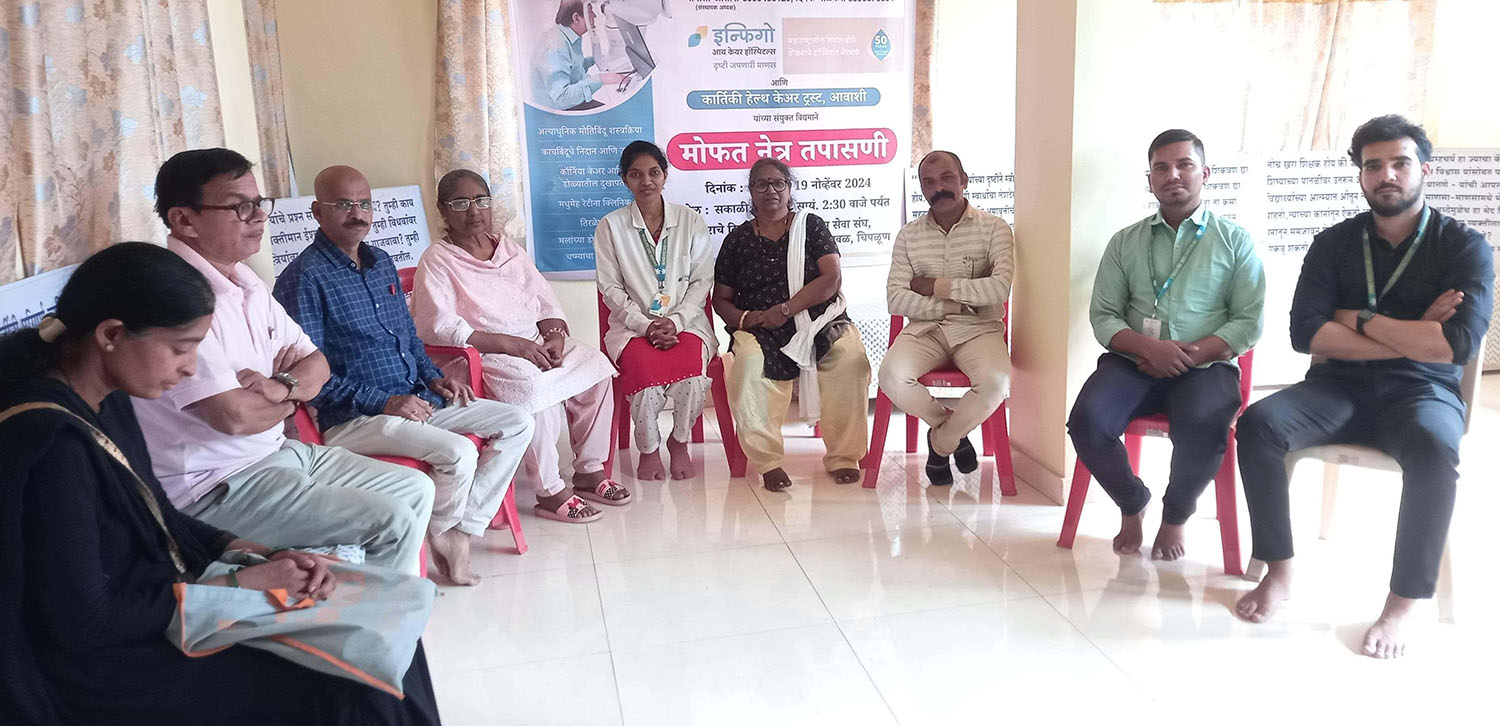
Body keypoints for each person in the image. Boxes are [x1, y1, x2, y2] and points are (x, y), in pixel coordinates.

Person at [0, 243, 440, 725]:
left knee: (385, 632)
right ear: (111, 334)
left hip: (163, 600)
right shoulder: (52, 444)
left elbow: (159, 514)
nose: (191, 368)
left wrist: (259, 552)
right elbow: (86, 620)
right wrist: (240, 584)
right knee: (356, 678)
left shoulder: (110, 398)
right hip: (108, 663)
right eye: (180, 348)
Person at [1235, 115, 1493, 658]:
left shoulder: (1464, 247)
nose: (1386, 175)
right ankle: (1279, 572)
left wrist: (1359, 319)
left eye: (1400, 163)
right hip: (1338, 386)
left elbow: (1456, 346)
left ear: (1424, 169)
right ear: (1360, 175)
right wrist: (1415, 331)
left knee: (1435, 447)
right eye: (1373, 165)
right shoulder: (1333, 243)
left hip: (1423, 390)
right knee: (1259, 424)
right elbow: (1306, 334)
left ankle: (1402, 604)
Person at [131, 148, 434, 575]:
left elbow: (317, 362)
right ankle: (363, 609)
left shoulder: (246, 280)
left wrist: (278, 387)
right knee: (392, 520)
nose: (258, 216)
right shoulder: (174, 297)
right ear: (184, 220)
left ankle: (371, 603)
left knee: (416, 488)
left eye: (259, 203)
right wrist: (294, 396)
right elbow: (234, 417)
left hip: (278, 452)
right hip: (216, 486)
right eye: (240, 207)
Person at [274, 165, 536, 586]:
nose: (357, 213)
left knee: (517, 421)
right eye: (343, 204)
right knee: (459, 453)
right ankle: (444, 535)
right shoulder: (303, 279)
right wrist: (386, 402)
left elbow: (409, 338)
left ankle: (461, 527)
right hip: (355, 418)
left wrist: (433, 378)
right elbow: (310, 377)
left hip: (417, 400)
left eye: (364, 204)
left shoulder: (381, 263)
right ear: (317, 212)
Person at [1068, 129, 1265, 560]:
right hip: (1132, 362)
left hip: (1206, 366)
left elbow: (1248, 321)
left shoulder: (1234, 241)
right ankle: (1133, 502)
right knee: (1087, 421)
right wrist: (1149, 349)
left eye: (1184, 164)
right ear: (1150, 179)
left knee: (1204, 426)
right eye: (1161, 167)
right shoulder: (1125, 242)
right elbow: (1104, 315)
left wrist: (1184, 355)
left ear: (1205, 174)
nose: (1172, 174)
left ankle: (1175, 516)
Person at [413, 169, 629, 524]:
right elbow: (438, 325)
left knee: (595, 369)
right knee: (532, 388)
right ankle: (550, 491)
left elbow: (544, 301)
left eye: (481, 200)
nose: (474, 211)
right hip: (480, 354)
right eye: (461, 203)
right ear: (443, 210)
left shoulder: (507, 249)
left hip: (531, 343)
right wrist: (510, 345)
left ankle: (590, 470)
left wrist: (555, 336)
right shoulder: (438, 259)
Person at [713, 157, 872, 492]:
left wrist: (787, 309)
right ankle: (767, 461)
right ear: (751, 191)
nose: (770, 190)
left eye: (778, 183)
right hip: (761, 327)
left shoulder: (811, 226)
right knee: (750, 366)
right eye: (761, 184)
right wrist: (748, 319)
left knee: (849, 359)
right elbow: (721, 299)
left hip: (819, 319)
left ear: (789, 189)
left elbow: (831, 278)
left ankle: (844, 456)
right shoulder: (737, 240)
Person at [878, 150, 1015, 486]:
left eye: (947, 178)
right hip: (926, 330)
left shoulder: (995, 229)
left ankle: (941, 442)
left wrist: (935, 286)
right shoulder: (909, 236)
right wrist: (953, 305)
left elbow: (998, 289)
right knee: (892, 376)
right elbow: (896, 298)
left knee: (996, 383)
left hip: (978, 330)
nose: (938, 188)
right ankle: (954, 432)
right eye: (929, 182)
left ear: (964, 180)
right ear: (922, 189)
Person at [594, 141, 717, 480]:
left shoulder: (690, 221)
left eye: (653, 173)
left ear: (665, 175)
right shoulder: (610, 226)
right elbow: (610, 288)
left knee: (692, 376)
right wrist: (644, 325)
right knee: (644, 374)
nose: (646, 181)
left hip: (687, 323)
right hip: (632, 328)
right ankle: (648, 449)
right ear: (624, 179)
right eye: (636, 174)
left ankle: (679, 442)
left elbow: (702, 281)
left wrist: (675, 321)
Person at [532, 0, 615, 111]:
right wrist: (602, 79)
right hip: (560, 112)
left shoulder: (563, 36)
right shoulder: (557, 47)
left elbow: (570, 68)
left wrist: (595, 60)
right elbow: (562, 98)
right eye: (590, 11)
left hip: (566, 105)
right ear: (576, 18)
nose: (594, 16)